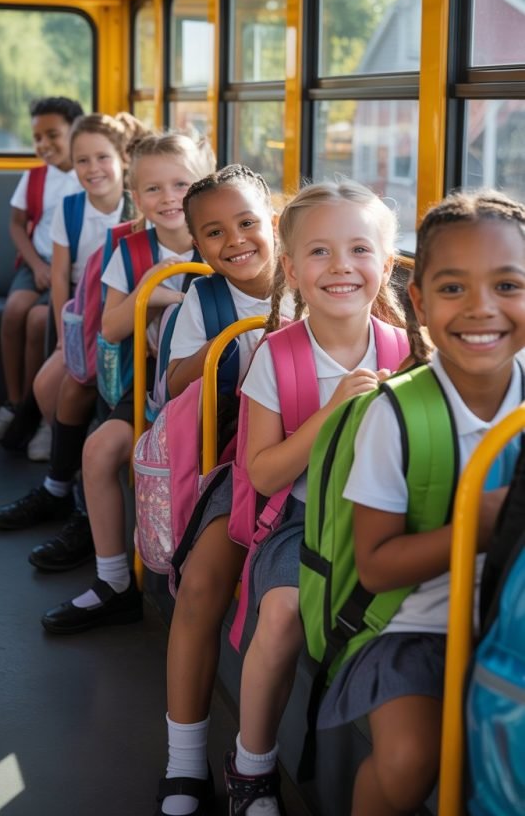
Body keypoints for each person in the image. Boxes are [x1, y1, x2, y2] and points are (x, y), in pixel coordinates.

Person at [316, 189, 525, 816]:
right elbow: (377, 566)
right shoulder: (396, 415)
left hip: (511, 614)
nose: (481, 309)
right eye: (454, 289)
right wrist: (482, 524)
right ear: (420, 302)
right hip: (415, 625)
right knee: (409, 761)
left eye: (508, 286)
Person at [225, 180, 405, 815]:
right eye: (320, 253)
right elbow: (267, 474)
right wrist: (331, 413)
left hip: (381, 521)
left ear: (384, 266)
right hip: (299, 519)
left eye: (359, 250)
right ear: (294, 270)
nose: (341, 267)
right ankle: (252, 767)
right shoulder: (277, 357)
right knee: (280, 617)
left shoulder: (408, 354)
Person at [35, 131, 215, 623]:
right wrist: (150, 293)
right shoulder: (132, 251)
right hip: (155, 377)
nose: (169, 198)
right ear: (136, 197)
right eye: (152, 189)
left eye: (181, 184)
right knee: (99, 451)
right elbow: (111, 328)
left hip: (218, 379)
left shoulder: (223, 241)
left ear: (201, 184)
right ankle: (115, 578)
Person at [153, 165, 286, 816]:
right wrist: (233, 349)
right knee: (203, 584)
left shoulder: (320, 283)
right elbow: (173, 387)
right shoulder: (203, 306)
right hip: (235, 456)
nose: (234, 241)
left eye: (247, 223)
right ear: (198, 247)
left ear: (276, 224)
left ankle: (254, 763)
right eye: (213, 233)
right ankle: (184, 762)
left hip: (319, 457)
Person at [0, 112, 136, 532]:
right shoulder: (70, 210)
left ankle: (73, 472)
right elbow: (59, 281)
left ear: (122, 158)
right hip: (80, 314)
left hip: (121, 314)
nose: (93, 170)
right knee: (46, 384)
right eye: (83, 161)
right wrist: (63, 342)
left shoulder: (135, 206)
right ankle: (67, 468)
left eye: (102, 158)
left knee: (80, 387)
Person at [0, 96, 83, 458]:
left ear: (75, 131)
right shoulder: (35, 177)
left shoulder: (87, 176)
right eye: (37, 138)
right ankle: (13, 402)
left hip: (73, 270)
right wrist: (36, 265)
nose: (44, 145)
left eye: (53, 134)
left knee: (39, 322)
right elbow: (18, 225)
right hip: (37, 263)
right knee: (14, 312)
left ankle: (39, 415)